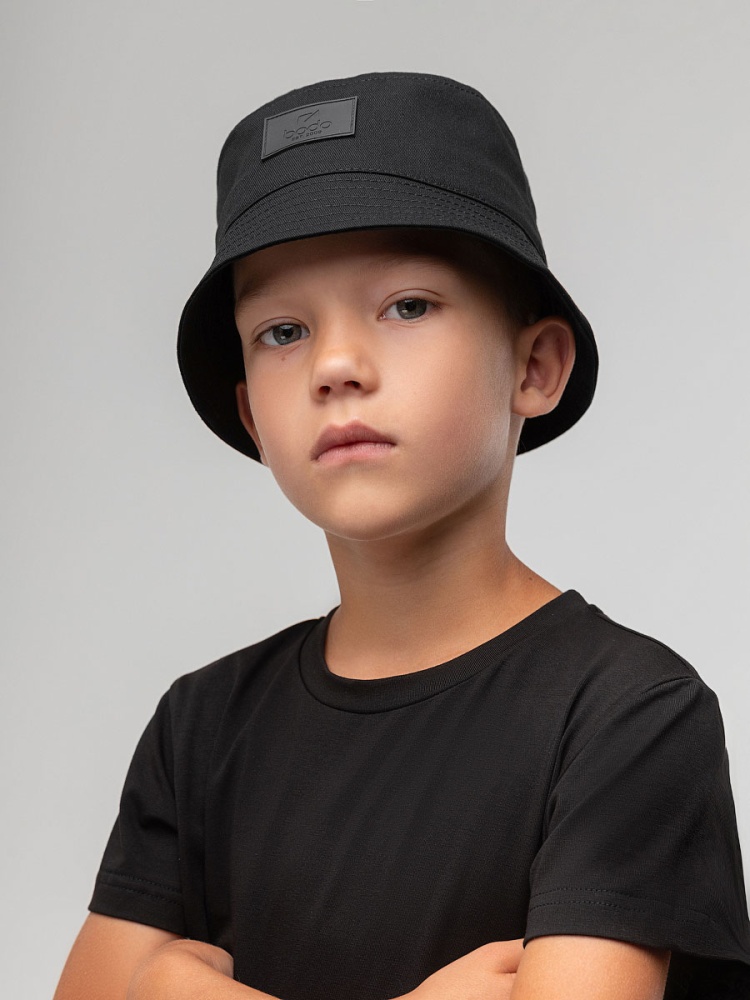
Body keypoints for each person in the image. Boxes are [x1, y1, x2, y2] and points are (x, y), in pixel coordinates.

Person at [53, 71, 750, 1000]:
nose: (336, 365)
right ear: (252, 416)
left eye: (408, 306)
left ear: (535, 366)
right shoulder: (200, 728)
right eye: (282, 331)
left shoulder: (631, 717)